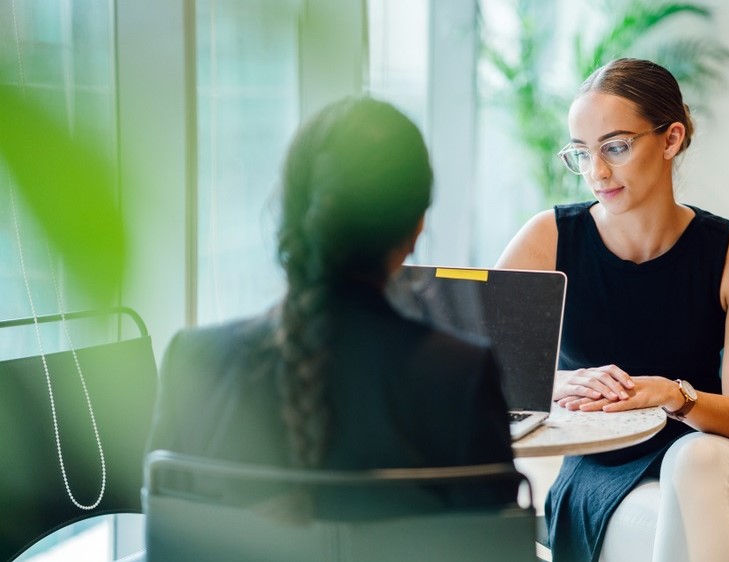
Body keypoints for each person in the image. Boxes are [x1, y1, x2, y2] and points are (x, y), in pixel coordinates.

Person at [146, 97, 515, 514]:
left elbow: (170, 538)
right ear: (415, 229)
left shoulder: (195, 361)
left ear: (295, 217)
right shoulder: (459, 379)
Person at [496, 58, 729, 562]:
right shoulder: (548, 238)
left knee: (694, 458)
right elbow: (476, 368)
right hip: (599, 464)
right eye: (582, 153)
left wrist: (671, 394)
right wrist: (555, 384)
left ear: (670, 138)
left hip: (715, 449)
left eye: (615, 146)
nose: (597, 172)